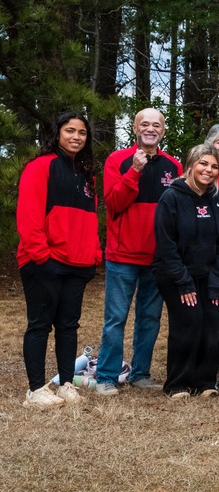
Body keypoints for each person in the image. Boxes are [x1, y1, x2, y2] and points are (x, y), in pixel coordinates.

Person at [18, 112, 102, 408]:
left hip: (78, 264)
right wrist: (42, 257)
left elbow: (90, 219)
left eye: (82, 132)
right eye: (70, 131)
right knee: (40, 324)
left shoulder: (87, 174)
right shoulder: (40, 166)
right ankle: (36, 390)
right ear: (57, 134)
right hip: (44, 261)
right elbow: (29, 216)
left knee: (68, 326)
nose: (77, 137)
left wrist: (94, 255)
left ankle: (67, 383)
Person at [95, 108, 182, 396]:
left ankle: (140, 373)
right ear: (134, 128)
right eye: (144, 123)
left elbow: (177, 212)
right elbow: (114, 203)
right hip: (122, 256)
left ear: (163, 131)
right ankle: (106, 376)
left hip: (156, 257)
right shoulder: (117, 160)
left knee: (149, 317)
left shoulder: (173, 166)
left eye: (156, 125)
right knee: (115, 319)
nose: (150, 128)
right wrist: (134, 170)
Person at [152, 144, 219, 399]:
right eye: (203, 164)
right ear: (190, 165)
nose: (208, 170)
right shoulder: (171, 197)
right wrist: (184, 283)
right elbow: (166, 246)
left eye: (213, 166)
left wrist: (218, 283)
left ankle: (205, 382)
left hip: (210, 275)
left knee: (213, 322)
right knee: (189, 321)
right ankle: (177, 383)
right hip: (175, 275)